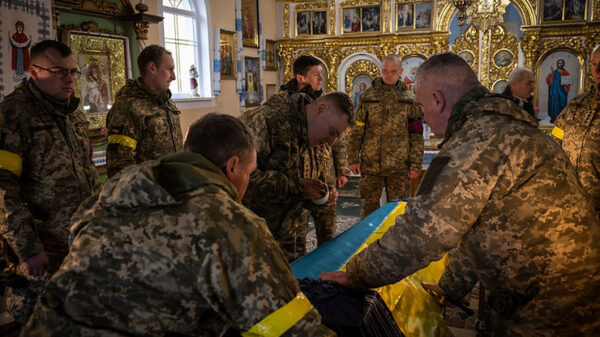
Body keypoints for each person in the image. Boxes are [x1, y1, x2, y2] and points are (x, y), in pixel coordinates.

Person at [320, 52, 600, 336]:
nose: (424, 116)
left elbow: (422, 229)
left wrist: (355, 275)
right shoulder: (505, 126)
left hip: (549, 307)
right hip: (569, 290)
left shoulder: (472, 143)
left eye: (421, 105)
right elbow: (483, 229)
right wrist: (451, 287)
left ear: (438, 100)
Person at [21, 113, 335, 336]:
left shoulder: (115, 190)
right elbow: (288, 327)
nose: (247, 183)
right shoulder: (230, 223)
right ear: (233, 166)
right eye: (249, 174)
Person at [0, 40, 100, 326]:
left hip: (80, 240)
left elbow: (87, 172)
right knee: (39, 321)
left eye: (73, 72)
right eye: (59, 71)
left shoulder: (74, 114)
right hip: (42, 246)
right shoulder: (12, 115)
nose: (69, 79)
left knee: (80, 317)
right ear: (33, 71)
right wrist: (28, 248)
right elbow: (4, 188)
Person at [241, 91, 354, 261]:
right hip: (258, 247)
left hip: (294, 246)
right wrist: (298, 187)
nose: (331, 143)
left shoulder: (317, 137)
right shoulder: (262, 121)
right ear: (321, 109)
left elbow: (302, 194)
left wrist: (320, 194)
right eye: (332, 132)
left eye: (336, 138)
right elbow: (240, 178)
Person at [272, 55, 352, 256]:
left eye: (322, 75)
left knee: (327, 230)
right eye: (316, 74)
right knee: (297, 232)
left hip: (325, 174)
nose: (321, 79)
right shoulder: (283, 105)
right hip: (300, 178)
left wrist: (341, 169)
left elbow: (337, 141)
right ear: (300, 77)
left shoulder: (326, 103)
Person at [348, 54, 424, 218]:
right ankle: (369, 243)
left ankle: (393, 244)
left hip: (399, 165)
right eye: (385, 71)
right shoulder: (368, 97)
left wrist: (415, 164)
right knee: (369, 210)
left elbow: (416, 134)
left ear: (401, 71)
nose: (388, 75)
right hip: (371, 163)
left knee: (396, 211)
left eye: (393, 71)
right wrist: (353, 157)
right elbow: (357, 129)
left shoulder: (410, 99)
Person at [106, 44, 183, 177]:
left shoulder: (166, 103)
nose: (174, 76)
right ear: (152, 67)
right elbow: (120, 166)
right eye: (169, 69)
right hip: (147, 193)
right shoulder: (127, 107)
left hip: (171, 188)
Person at [552, 44, 600, 212]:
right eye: (593, 64)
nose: (597, 70)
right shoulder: (577, 104)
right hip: (571, 198)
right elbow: (556, 137)